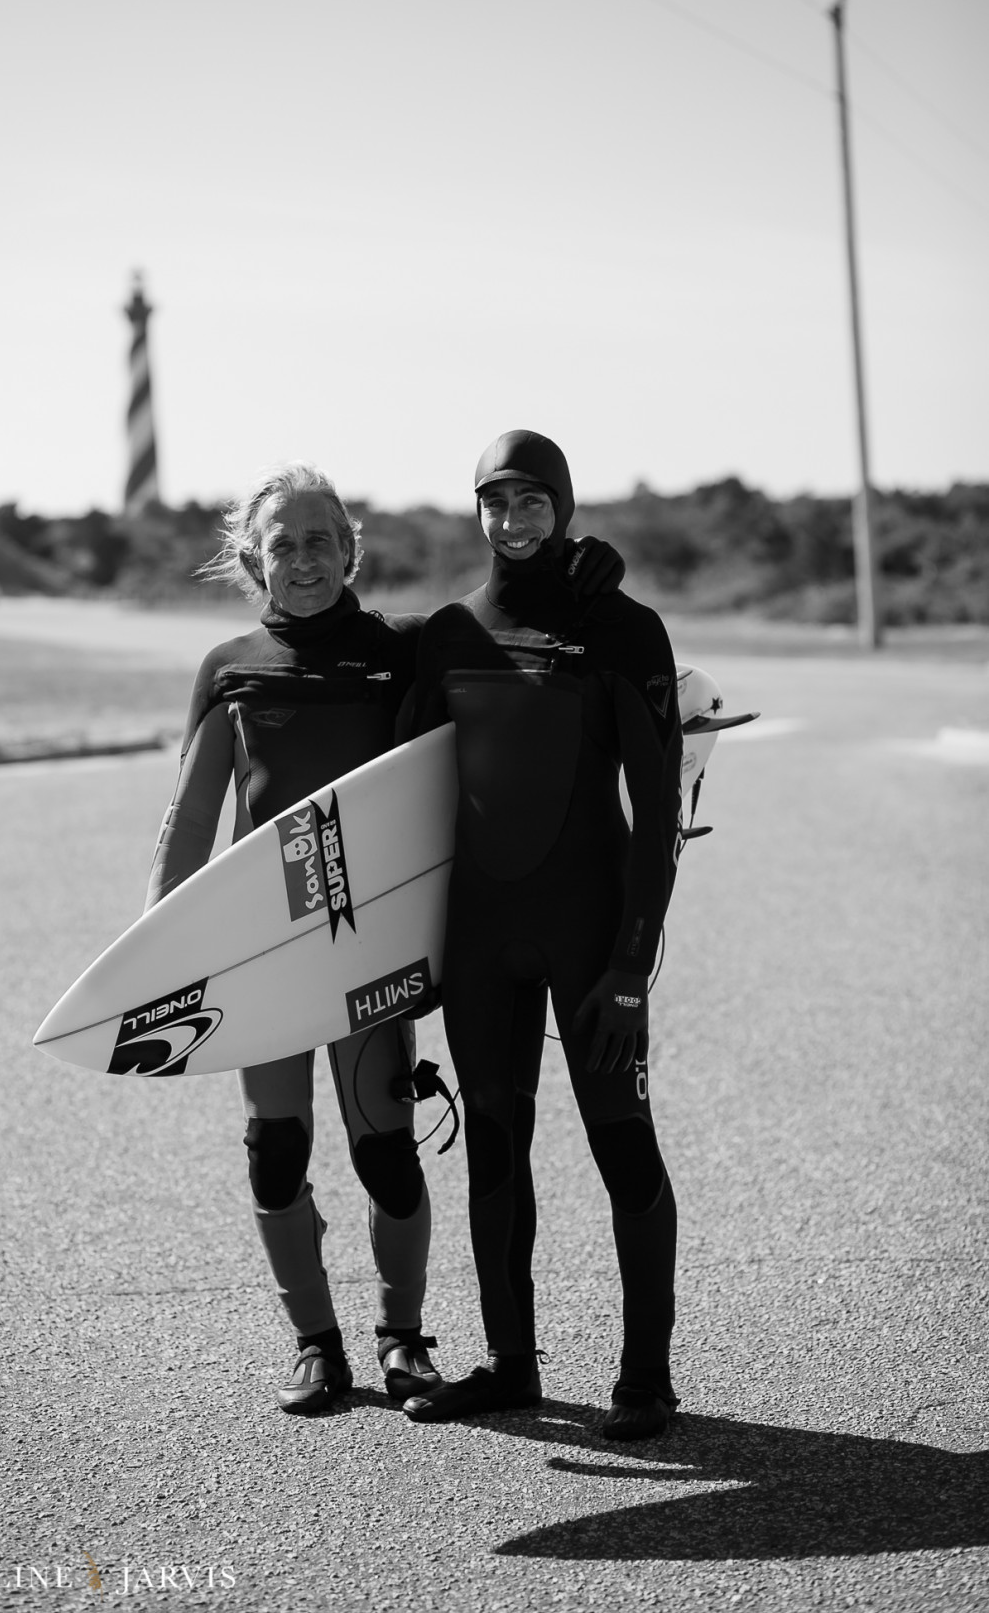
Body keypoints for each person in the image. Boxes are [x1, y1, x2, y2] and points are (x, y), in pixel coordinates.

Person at [146, 461, 625, 1417]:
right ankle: (316, 1346)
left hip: (367, 953)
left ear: (352, 548)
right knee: (274, 1150)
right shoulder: (231, 666)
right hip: (266, 953)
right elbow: (191, 817)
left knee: (387, 1153)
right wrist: (164, 956)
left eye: (322, 539)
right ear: (251, 558)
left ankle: (402, 1338)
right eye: (283, 543)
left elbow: (518, 649)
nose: (304, 559)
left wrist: (585, 573)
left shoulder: (409, 647)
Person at [401, 431, 684, 1440]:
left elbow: (654, 819)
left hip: (587, 936)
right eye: (493, 501)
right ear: (474, 511)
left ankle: (644, 1376)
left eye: (531, 502)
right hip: (481, 941)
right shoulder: (444, 634)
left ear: (561, 507)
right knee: (492, 1151)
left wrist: (629, 968)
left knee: (622, 1146)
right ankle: (507, 1364)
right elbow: (403, 805)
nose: (511, 520)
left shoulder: (623, 631)